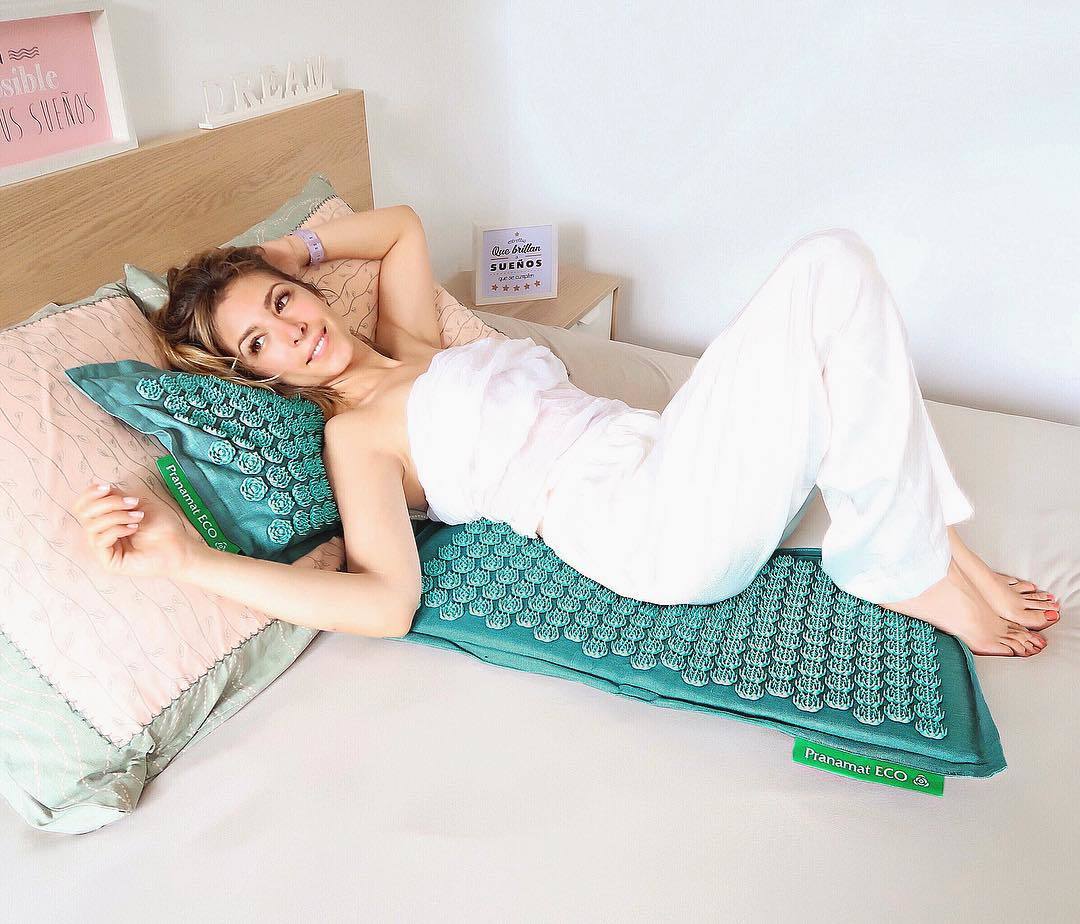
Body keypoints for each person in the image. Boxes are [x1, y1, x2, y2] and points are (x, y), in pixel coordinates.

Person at [73, 205, 1060, 656]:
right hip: (642, 525)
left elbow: (403, 226)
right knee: (826, 265)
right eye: (260, 341)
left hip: (662, 449)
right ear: (256, 374)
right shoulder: (356, 438)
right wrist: (185, 562)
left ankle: (928, 548)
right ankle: (910, 560)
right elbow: (383, 602)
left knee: (834, 294)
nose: (292, 330)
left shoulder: (411, 346)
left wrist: (286, 245)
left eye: (285, 301)